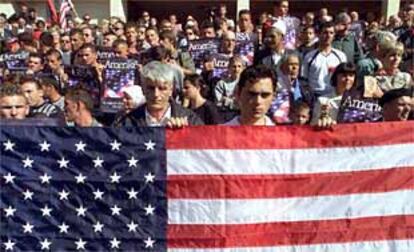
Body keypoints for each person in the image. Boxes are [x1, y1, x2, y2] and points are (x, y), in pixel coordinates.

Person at [115, 61, 203, 128]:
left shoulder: (190, 119)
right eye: (151, 88)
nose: (156, 94)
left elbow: (204, 147)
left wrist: (187, 133)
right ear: (143, 89)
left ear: (171, 90)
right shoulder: (127, 122)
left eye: (162, 88)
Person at [301, 22, 347, 97]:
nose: (328, 36)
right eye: (325, 33)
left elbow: (344, 78)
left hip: (334, 95)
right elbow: (304, 79)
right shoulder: (309, 56)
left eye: (331, 33)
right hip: (315, 95)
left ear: (334, 36)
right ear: (319, 35)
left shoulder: (341, 56)